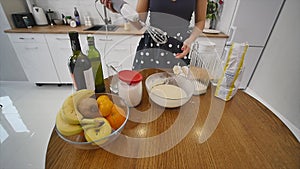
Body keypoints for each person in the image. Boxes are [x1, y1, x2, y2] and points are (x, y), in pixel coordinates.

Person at [100, 0, 206, 70]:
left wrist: (190, 40)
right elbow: (139, 23)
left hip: (180, 48)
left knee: (177, 91)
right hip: (151, 46)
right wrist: (120, 10)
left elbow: (200, 21)